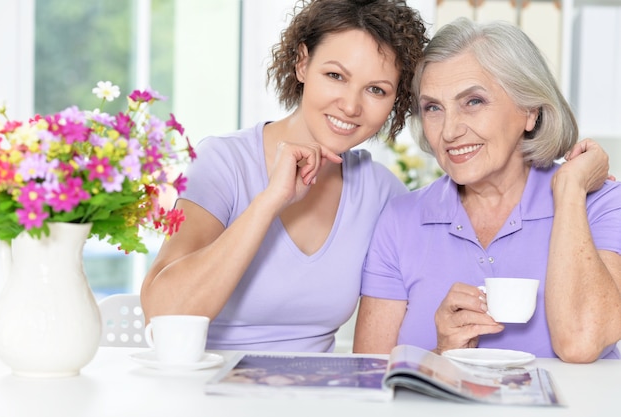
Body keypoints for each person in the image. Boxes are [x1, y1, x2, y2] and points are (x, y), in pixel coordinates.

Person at [140, 0, 428, 352]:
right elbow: (162, 314)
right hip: (208, 394)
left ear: (396, 100)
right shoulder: (224, 162)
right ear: (303, 64)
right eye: (335, 76)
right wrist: (269, 201)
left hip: (314, 398)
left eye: (376, 90)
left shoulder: (382, 194)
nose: (351, 106)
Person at [353, 17, 621, 363]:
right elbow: (368, 379)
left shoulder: (600, 204)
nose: (449, 131)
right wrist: (441, 355)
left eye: (473, 102)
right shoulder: (401, 220)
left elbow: (582, 343)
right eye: (433, 107)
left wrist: (569, 189)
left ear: (530, 112)